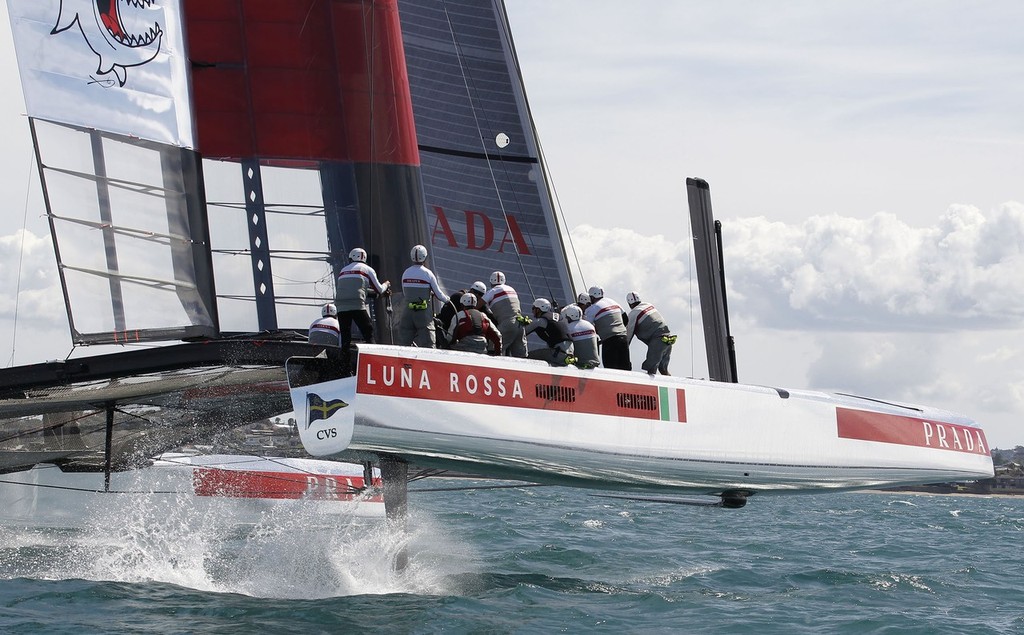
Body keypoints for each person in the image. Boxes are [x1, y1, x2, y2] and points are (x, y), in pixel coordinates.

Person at [335, 247, 391, 357]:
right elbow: (379, 289)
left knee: (345, 338)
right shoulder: (367, 269)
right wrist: (386, 284)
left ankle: (344, 366)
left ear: (351, 258)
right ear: (364, 258)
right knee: (368, 331)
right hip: (357, 305)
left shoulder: (343, 270)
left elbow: (351, 289)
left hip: (341, 306)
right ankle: (373, 358)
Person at [397, 244, 446, 347]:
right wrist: (448, 300)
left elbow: (405, 293)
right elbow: (439, 295)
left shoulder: (406, 273)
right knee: (428, 343)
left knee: (403, 344)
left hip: (408, 311)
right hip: (423, 312)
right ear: (425, 257)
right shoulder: (428, 273)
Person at [625, 291, 675, 376]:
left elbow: (627, 338)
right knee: (663, 370)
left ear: (629, 304)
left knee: (651, 371)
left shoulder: (633, 314)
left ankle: (650, 388)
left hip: (658, 341)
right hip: (668, 339)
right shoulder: (649, 305)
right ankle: (674, 384)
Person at [482, 271, 528, 357]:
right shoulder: (512, 289)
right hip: (520, 324)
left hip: (507, 324)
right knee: (521, 356)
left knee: (494, 350)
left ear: (491, 282)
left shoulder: (492, 291)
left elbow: (478, 305)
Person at [584, 286, 631, 371]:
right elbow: (626, 319)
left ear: (591, 297)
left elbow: (587, 327)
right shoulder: (612, 301)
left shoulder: (591, 309)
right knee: (625, 368)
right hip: (623, 338)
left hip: (609, 341)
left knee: (611, 369)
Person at [436, 281, 493, 348]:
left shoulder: (480, 303)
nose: (477, 296)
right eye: (476, 293)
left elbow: (489, 317)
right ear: (471, 290)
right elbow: (445, 317)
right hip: (450, 328)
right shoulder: (457, 297)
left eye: (480, 294)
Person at [524, 297, 574, 366]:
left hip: (558, 353)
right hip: (569, 353)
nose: (532, 311)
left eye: (533, 308)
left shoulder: (541, 321)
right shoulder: (559, 316)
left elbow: (524, 332)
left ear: (538, 309)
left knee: (526, 357)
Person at [562, 305, 599, 369]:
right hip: (594, 363)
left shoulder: (569, 328)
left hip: (580, 364)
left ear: (569, 316)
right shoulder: (590, 325)